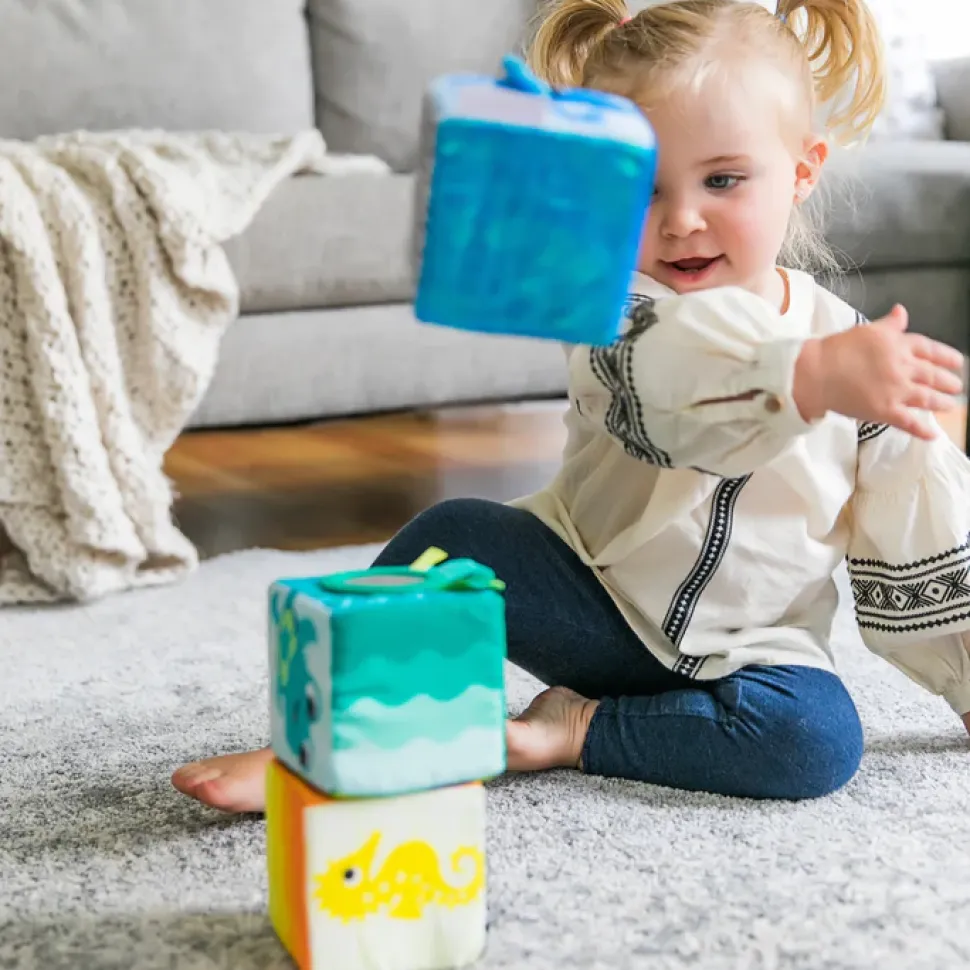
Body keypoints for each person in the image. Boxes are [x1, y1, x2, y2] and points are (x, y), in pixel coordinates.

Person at [172, 0, 970, 812]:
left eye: (722, 179)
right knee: (451, 540)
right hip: (588, 598)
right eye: (645, 189)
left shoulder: (859, 356)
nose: (682, 220)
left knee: (817, 744)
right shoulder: (613, 312)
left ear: (802, 171)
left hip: (750, 654)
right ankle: (323, 744)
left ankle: (574, 730)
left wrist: (965, 682)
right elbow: (673, 391)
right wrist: (800, 378)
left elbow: (919, 529)